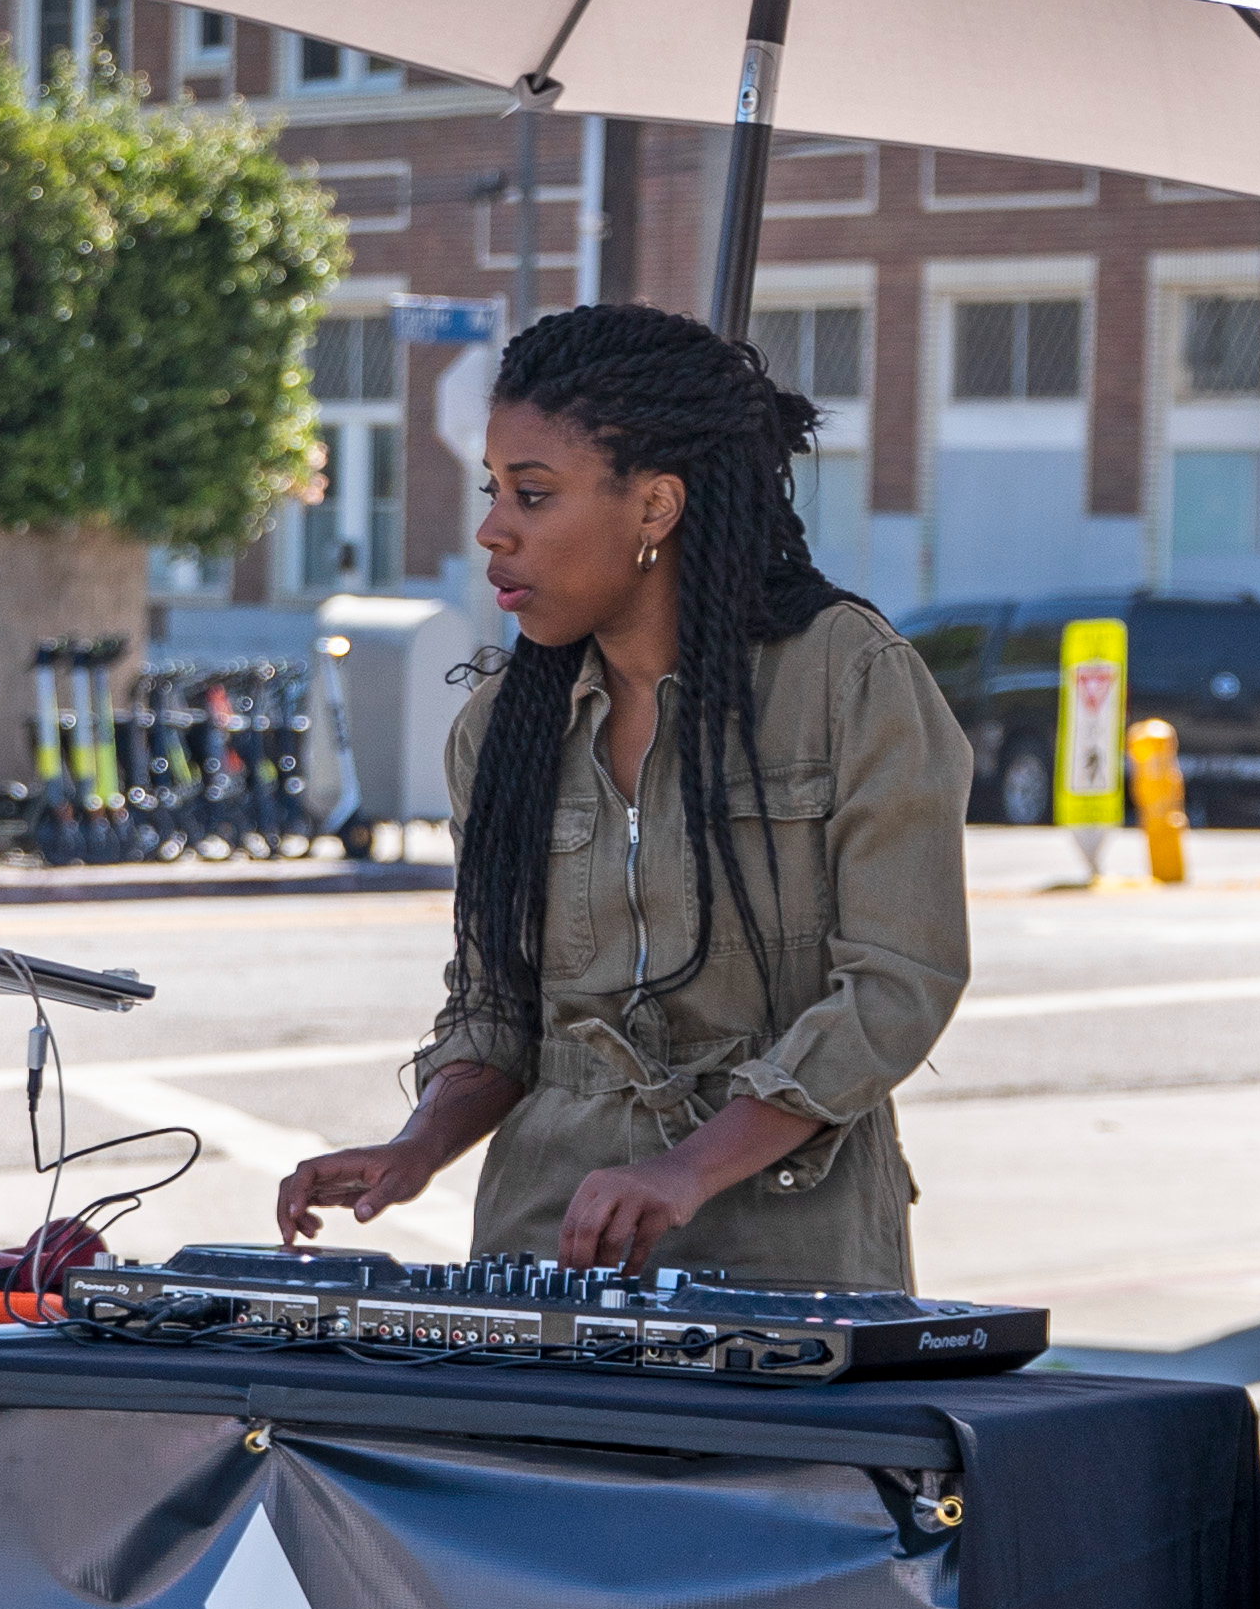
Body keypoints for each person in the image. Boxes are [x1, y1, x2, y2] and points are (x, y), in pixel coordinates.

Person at [275, 301, 972, 1280]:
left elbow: (901, 983)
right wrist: (416, 1145)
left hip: (788, 1241)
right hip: (544, 1234)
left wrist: (684, 1170)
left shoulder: (845, 678)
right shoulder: (499, 730)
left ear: (654, 506)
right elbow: (494, 1008)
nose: (491, 530)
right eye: (493, 491)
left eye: (532, 494)